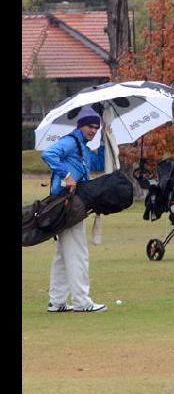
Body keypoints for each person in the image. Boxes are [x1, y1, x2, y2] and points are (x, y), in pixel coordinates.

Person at [41, 106, 107, 313]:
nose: (93, 130)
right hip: (67, 204)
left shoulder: (83, 147)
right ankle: (81, 301)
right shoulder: (71, 142)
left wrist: (107, 141)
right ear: (80, 125)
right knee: (78, 252)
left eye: (96, 127)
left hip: (69, 204)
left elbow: (97, 162)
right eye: (90, 126)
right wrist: (66, 175)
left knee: (63, 254)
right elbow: (49, 154)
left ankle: (57, 301)